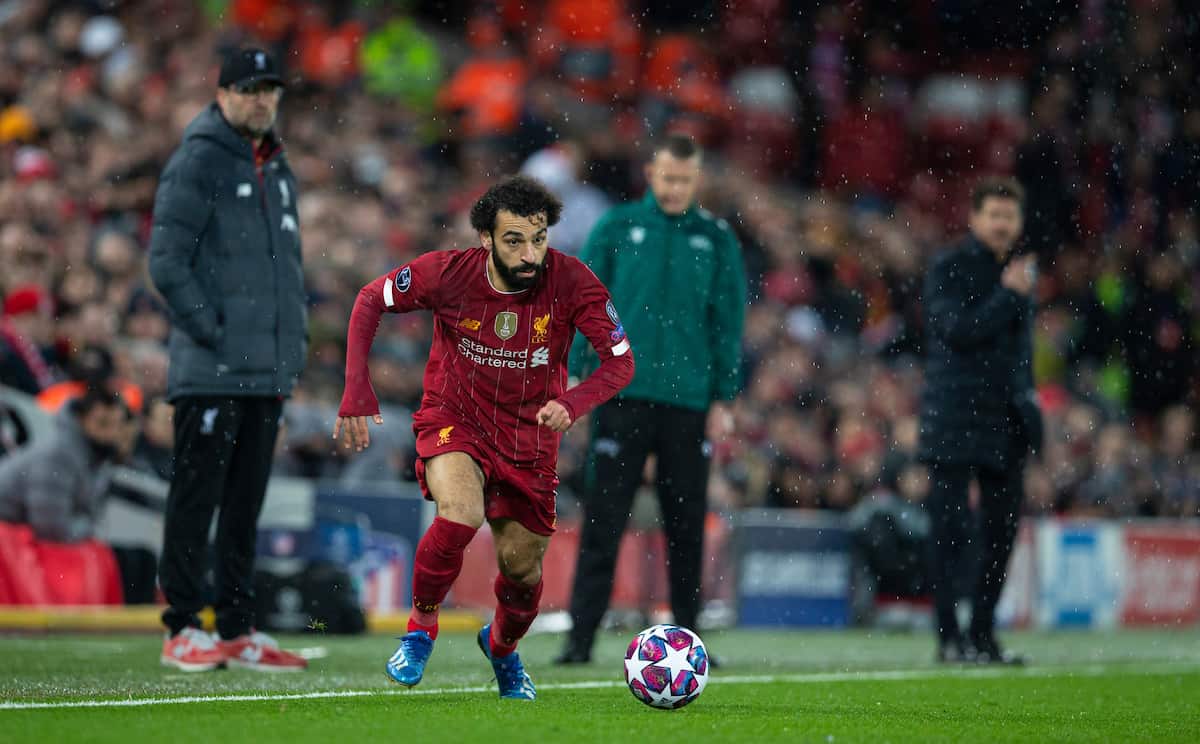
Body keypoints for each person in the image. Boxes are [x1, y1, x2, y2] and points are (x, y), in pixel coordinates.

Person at [334, 175, 634, 699]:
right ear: (485, 239)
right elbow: (369, 299)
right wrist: (358, 388)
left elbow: (620, 361)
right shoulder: (445, 274)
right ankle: (420, 628)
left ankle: (501, 648)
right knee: (461, 514)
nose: (529, 253)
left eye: (538, 238)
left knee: (522, 570)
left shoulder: (573, 282)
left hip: (530, 440)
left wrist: (572, 402)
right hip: (456, 418)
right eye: (514, 240)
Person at [556, 134, 746, 664]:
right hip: (622, 394)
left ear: (697, 178)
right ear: (650, 172)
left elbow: (727, 323)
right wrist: (576, 373)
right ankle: (579, 641)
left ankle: (691, 643)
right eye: (667, 177)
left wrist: (725, 398)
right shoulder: (617, 227)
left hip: (689, 401)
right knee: (603, 520)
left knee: (686, 526)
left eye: (684, 179)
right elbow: (584, 301)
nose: (675, 187)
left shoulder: (716, 237)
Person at [148, 47, 308, 673]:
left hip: (263, 372)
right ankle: (183, 626)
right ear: (222, 95)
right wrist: (214, 333)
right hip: (214, 370)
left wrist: (283, 356)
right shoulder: (199, 160)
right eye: (250, 89)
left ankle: (237, 627)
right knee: (197, 499)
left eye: (271, 89)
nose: (263, 100)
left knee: (245, 505)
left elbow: (283, 275)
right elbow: (166, 261)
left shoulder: (276, 164)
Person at [918, 177, 1041, 665]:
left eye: (1009, 216)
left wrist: (1029, 412)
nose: (1002, 224)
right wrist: (1008, 297)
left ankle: (984, 636)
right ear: (974, 217)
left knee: (1001, 535)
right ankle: (949, 639)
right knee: (947, 534)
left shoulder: (1018, 272)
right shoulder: (949, 267)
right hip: (954, 416)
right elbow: (957, 332)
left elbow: (1019, 355)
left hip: (1006, 421)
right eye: (994, 214)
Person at [0, 388, 156, 603]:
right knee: (114, 560)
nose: (110, 434)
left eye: (116, 426)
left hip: (41, 538)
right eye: (102, 424)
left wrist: (84, 528)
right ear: (82, 419)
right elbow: (51, 528)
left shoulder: (97, 458)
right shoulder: (56, 455)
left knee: (141, 559)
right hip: (15, 541)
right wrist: (85, 529)